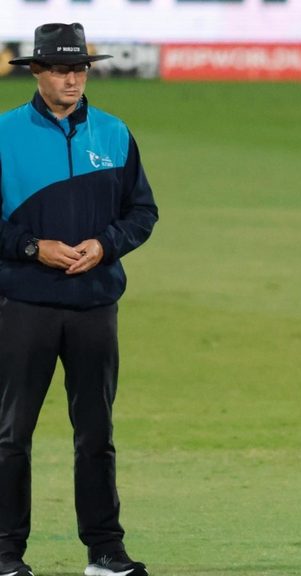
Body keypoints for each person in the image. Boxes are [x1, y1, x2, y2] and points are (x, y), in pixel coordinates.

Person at [0, 23, 157, 576]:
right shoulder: (4, 134)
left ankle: (105, 552)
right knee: (11, 435)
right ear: (38, 72)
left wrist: (106, 244)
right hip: (24, 305)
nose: (72, 79)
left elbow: (142, 212)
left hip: (95, 305)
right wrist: (31, 247)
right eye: (62, 70)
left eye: (80, 70)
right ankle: (5, 553)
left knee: (96, 434)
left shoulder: (113, 133)